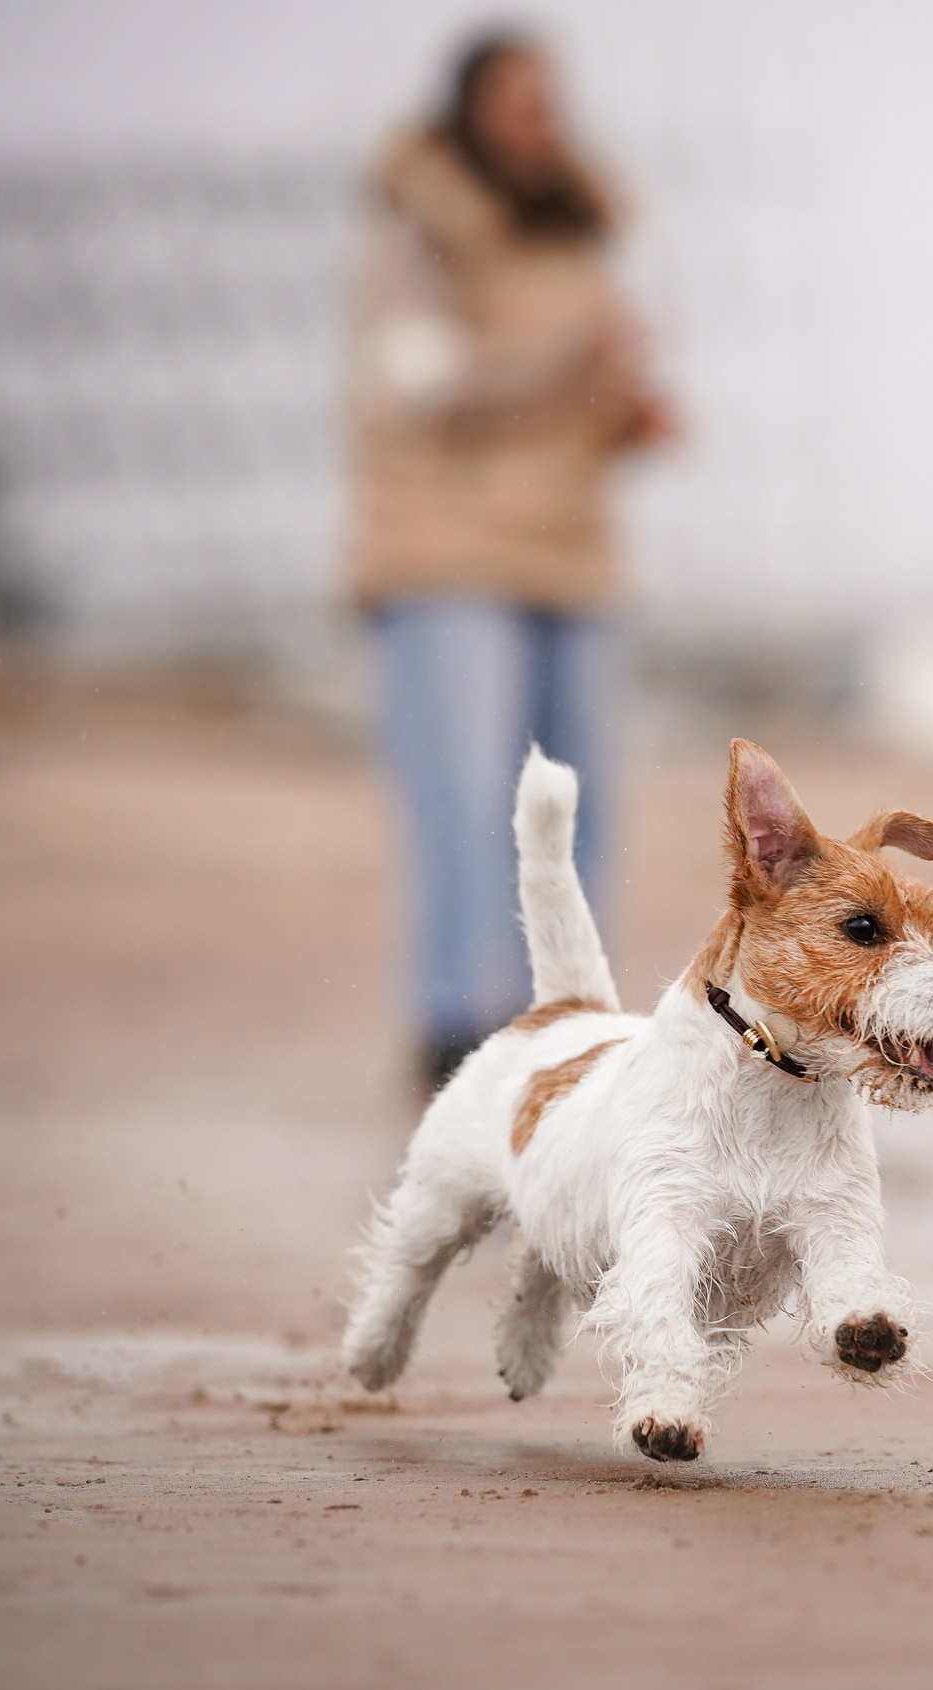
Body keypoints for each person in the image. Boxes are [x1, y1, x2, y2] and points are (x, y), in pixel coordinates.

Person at [347, 31, 670, 1088]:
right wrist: (567, 353)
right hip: (446, 553)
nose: (545, 119)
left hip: (570, 551)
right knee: (467, 796)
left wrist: (624, 411)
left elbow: (562, 389)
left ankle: (569, 1029)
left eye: (553, 99)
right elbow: (419, 381)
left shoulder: (572, 235)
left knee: (580, 806)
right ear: (470, 111)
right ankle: (455, 1026)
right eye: (523, 99)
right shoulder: (418, 228)